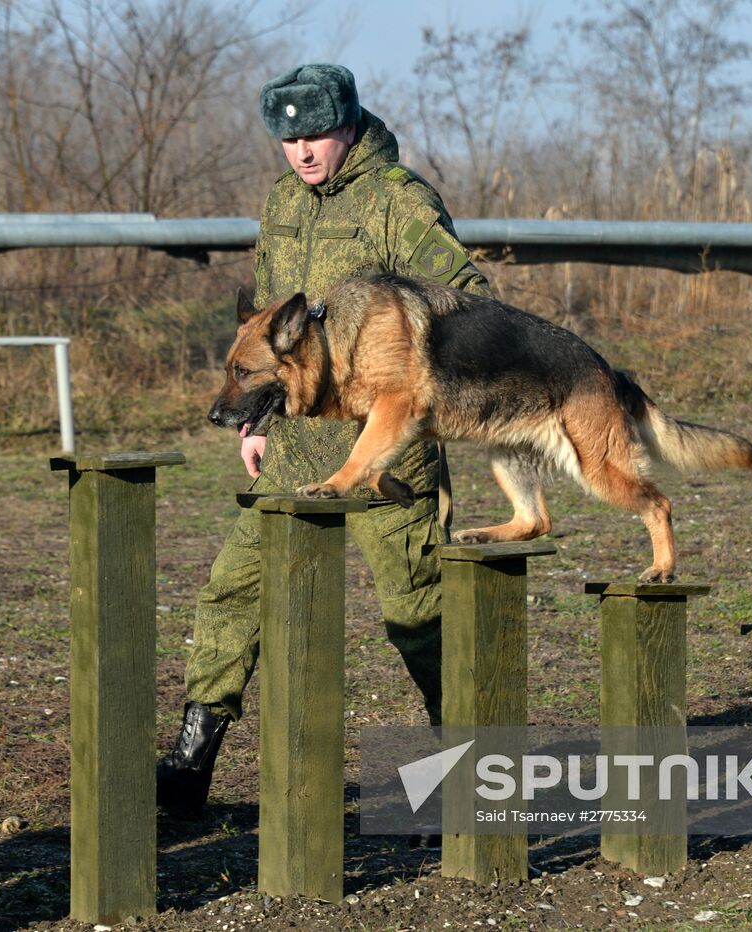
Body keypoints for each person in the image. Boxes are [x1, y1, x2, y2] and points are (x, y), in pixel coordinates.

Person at [157, 63, 492, 814]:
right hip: (295, 452)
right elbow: (269, 331)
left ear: (348, 125)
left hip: (386, 453)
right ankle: (188, 767)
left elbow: (470, 305)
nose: (302, 151)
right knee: (231, 595)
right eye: (287, 138)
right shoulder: (282, 204)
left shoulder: (398, 202)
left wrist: (395, 367)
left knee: (420, 617)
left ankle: (470, 779)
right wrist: (258, 423)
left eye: (315, 134)